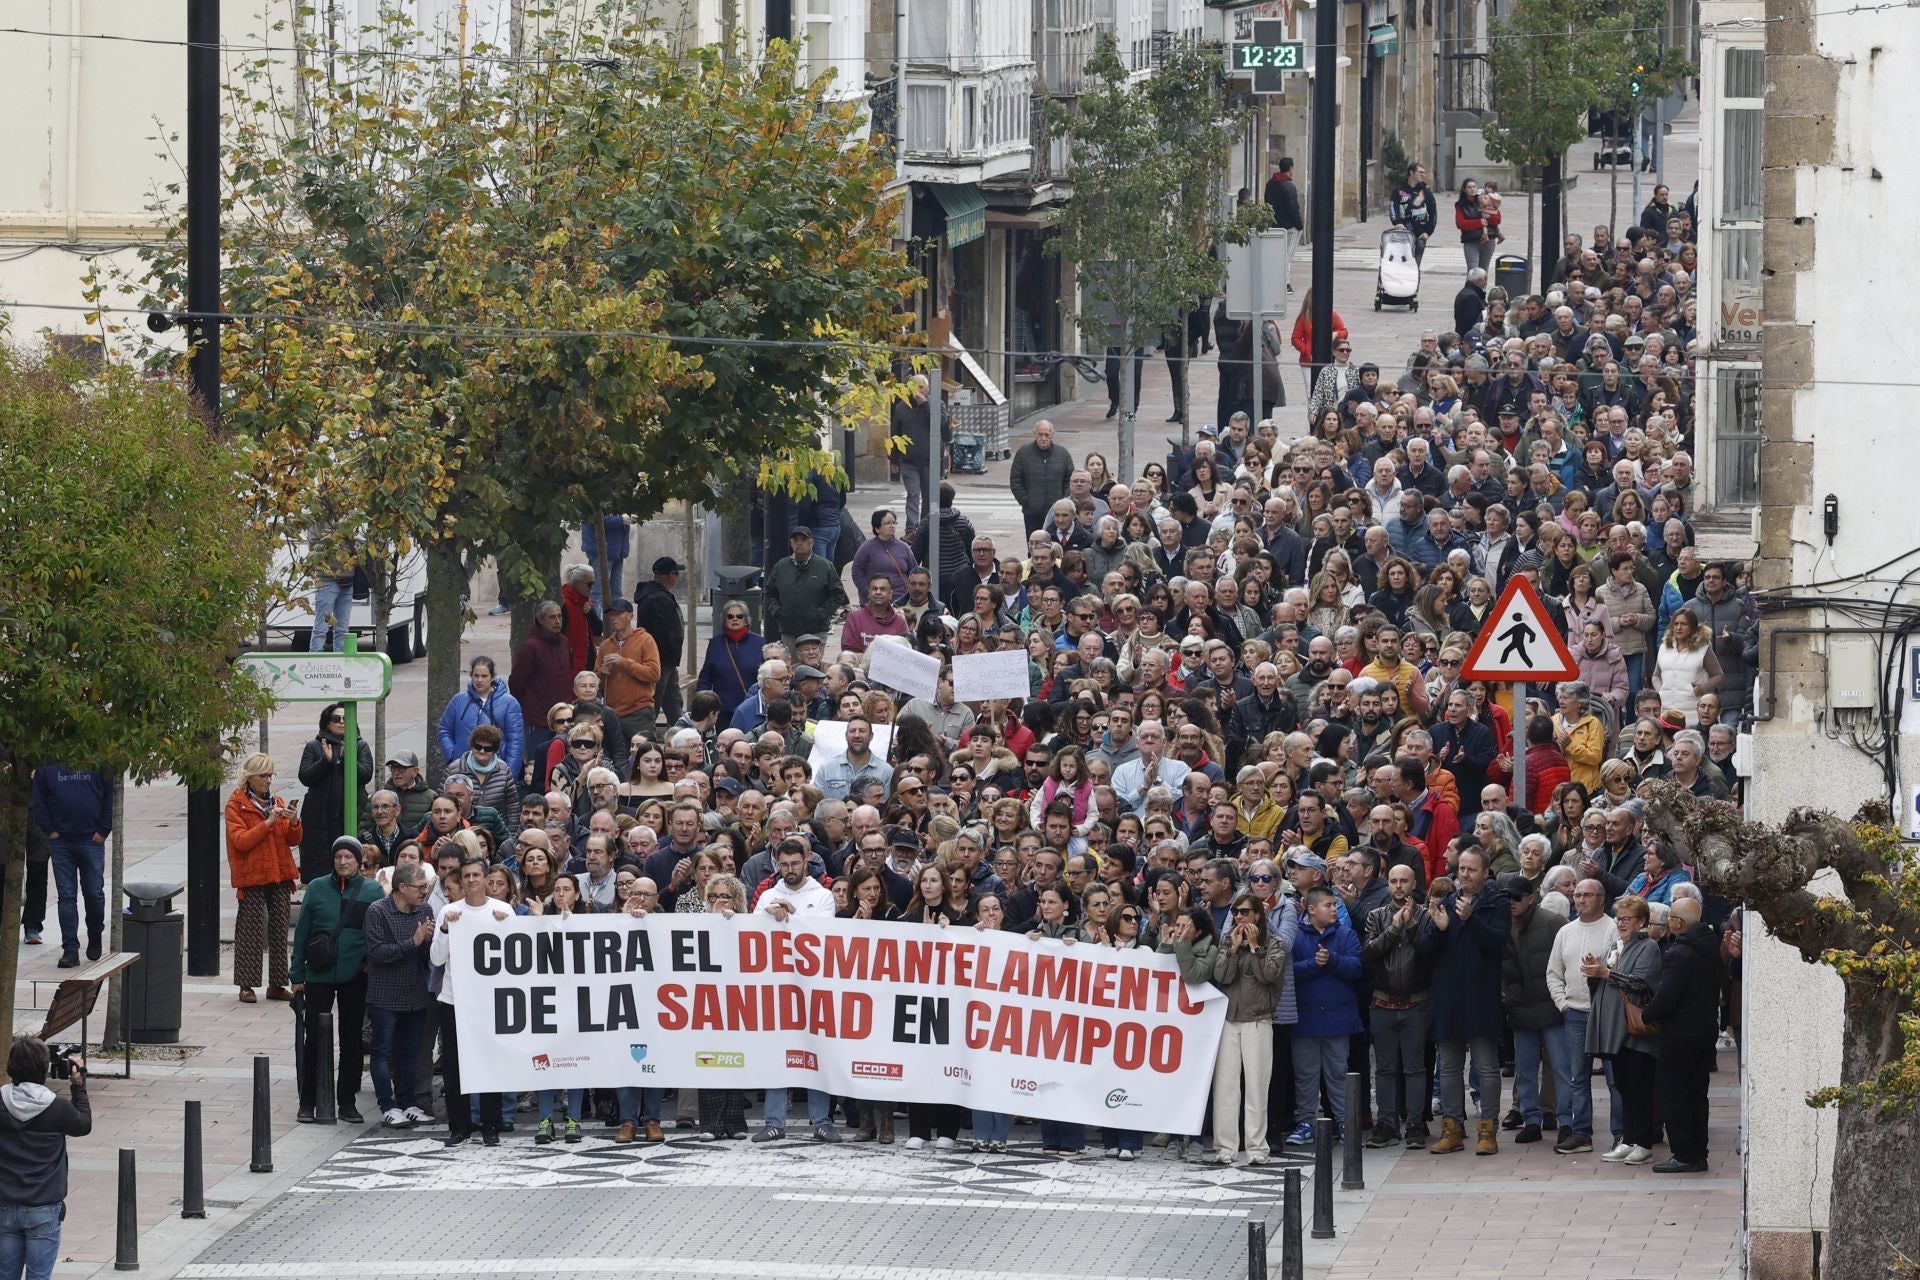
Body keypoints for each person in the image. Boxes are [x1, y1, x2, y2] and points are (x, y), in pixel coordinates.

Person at [1417, 847, 1509, 1155]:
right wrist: (1440, 930)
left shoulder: (1497, 902)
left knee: (1485, 1065)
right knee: (1449, 1066)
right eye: (1462, 869)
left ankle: (1487, 1129)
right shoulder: (1445, 903)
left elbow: (1498, 943)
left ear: (1485, 872)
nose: (1465, 874)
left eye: (1471, 869)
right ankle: (1452, 1128)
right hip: (1449, 996)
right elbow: (1425, 950)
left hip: (1481, 995)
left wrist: (1470, 920)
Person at [289, 836, 385, 1124]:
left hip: (355, 975)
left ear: (359, 861)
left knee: (352, 1040)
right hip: (318, 973)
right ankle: (308, 1101)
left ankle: (346, 1101)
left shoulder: (372, 890)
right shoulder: (317, 888)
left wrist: (369, 965)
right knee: (314, 1038)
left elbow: (376, 933)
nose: (343, 862)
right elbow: (302, 932)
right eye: (338, 857)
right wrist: (297, 975)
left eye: (349, 857)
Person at [429, 856, 513, 1146]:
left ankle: (491, 1125)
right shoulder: (449, 912)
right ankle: (459, 1126)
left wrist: (506, 928)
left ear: (486, 879)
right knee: (453, 1067)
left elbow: (515, 958)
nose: (472, 880)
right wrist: (444, 930)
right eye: (467, 876)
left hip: (491, 1002)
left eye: (477, 875)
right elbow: (436, 959)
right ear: (461, 881)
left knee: (490, 1064)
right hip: (454, 1000)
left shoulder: (503, 910)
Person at [1641, 896, 1724, 1172]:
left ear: (1677, 923)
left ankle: (1685, 1153)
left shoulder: (1680, 953)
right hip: (1704, 1030)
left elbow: (1667, 996)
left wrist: (1647, 1014)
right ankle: (1698, 1151)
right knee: (1698, 1094)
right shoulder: (1711, 946)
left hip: (1679, 1034)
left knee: (1675, 1093)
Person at [0, 1035, 90, 1280]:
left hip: (5, 1202)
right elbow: (83, 1125)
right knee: (39, 1276)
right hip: (44, 1204)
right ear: (44, 1068)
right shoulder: (57, 1108)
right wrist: (78, 1086)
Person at [1584, 894, 1663, 1165]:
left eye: (1627, 919)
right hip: (1614, 1029)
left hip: (1635, 1031)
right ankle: (1628, 1139)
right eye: (1619, 918)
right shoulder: (1615, 947)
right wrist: (1595, 971)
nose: (1621, 923)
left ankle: (1643, 1142)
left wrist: (1607, 974)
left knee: (1639, 1088)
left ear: (1641, 921)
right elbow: (1606, 984)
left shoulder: (1648, 947)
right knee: (1624, 1088)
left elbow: (1642, 984)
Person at [1212, 890, 1288, 1164]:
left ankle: (1257, 1148)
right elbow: (1221, 975)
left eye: (1245, 912)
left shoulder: (1275, 943)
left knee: (1257, 1086)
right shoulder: (1227, 940)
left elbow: (1269, 975)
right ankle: (1225, 1148)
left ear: (1257, 914)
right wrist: (1233, 949)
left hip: (1258, 1019)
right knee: (1226, 1086)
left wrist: (1255, 947)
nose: (1239, 917)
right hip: (1229, 1020)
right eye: (1235, 912)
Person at [1287, 885, 1363, 1145]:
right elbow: (1287, 972)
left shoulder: (1346, 934)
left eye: (1335, 905)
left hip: (1338, 1019)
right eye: (1328, 905)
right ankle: (1305, 1121)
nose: (1334, 909)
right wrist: (1312, 965)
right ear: (1311, 909)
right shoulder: (1295, 936)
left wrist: (1332, 960)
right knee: (1305, 1075)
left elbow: (1356, 968)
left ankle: (1345, 1124)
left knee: (1338, 1074)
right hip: (1305, 1019)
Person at [223, 753, 302, 1004]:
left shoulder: (276, 800)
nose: (268, 780)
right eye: (263, 776)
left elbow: (293, 840)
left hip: (279, 873)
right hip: (252, 875)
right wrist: (268, 823)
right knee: (250, 930)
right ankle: (246, 985)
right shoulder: (236, 804)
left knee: (279, 929)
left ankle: (277, 984)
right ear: (250, 777)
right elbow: (240, 842)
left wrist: (294, 822)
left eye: (271, 775)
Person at [361, 862, 435, 1128]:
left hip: (416, 993)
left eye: (426, 886)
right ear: (402, 887)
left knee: (410, 1052)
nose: (424, 892)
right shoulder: (378, 911)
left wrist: (428, 943)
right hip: (385, 996)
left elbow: (427, 957)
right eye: (420, 887)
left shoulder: (425, 910)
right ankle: (388, 1105)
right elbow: (378, 953)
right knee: (382, 1052)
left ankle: (408, 1102)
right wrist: (413, 942)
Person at [1364, 862, 1431, 1149]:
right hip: (1382, 1002)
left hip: (1417, 1003)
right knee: (1385, 1069)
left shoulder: (1426, 915)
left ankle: (1415, 1122)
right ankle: (1387, 1123)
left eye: (1404, 880)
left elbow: (1430, 952)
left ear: (1414, 883)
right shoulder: (1376, 915)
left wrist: (1411, 924)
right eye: (1393, 881)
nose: (1399, 886)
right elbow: (1369, 952)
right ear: (1388, 884)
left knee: (1416, 1068)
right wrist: (1393, 929)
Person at [1499, 873, 1565, 1145]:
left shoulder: (1553, 923)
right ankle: (1531, 1120)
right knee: (1524, 1070)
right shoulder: (1501, 926)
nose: (1511, 903)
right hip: (1520, 1008)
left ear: (1530, 898)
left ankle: (1567, 1120)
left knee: (1560, 1068)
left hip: (1551, 1007)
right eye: (1507, 898)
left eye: (1516, 898)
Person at [29, 763, 108, 970]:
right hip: (61, 841)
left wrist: (103, 830)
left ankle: (94, 932)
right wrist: (50, 830)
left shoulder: (98, 760)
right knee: (66, 896)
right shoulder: (47, 765)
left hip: (92, 839)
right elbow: (39, 802)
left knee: (94, 893)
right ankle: (70, 949)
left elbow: (109, 796)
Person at [296, 702, 374, 885]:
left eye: (346, 718)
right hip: (319, 820)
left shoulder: (360, 746)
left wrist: (348, 759)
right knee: (320, 870)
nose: (341, 722)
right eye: (336, 718)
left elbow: (365, 775)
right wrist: (326, 761)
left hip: (351, 814)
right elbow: (305, 776)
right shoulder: (314, 746)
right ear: (327, 723)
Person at [436, 656, 524, 780]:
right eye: (476, 676)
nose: (479, 680)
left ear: (492, 677)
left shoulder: (509, 703)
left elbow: (515, 740)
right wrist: (452, 755)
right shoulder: (458, 700)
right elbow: (444, 729)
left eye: (484, 676)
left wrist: (510, 774)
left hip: (496, 769)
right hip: (462, 767)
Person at [764, 528, 848, 654]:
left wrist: (821, 614)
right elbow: (769, 592)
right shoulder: (781, 566)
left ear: (811, 543)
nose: (799, 543)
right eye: (796, 540)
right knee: (791, 668)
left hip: (817, 630)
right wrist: (779, 612)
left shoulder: (824, 566)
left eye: (803, 540)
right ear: (791, 543)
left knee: (813, 667)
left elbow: (837, 594)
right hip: (789, 630)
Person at [596, 598, 662, 745]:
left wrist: (624, 663)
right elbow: (595, 684)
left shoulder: (646, 640)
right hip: (612, 714)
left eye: (618, 614)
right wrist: (602, 672)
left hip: (639, 713)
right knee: (613, 760)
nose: (613, 618)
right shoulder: (606, 645)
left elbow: (654, 673)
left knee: (643, 757)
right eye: (611, 614)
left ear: (631, 616)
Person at [631, 557, 688, 726]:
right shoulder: (657, 599)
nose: (677, 578)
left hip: (667, 661)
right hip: (659, 661)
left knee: (673, 702)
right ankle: (645, 737)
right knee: (654, 702)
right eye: (676, 574)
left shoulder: (658, 595)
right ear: (670, 575)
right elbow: (663, 633)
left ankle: (680, 733)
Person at [1009, 419, 1073, 536]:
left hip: (1057, 514)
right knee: (1034, 544)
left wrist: (1063, 500)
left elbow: (1069, 480)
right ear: (1034, 434)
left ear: (1052, 434)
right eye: (1040, 434)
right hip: (1032, 513)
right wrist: (1026, 501)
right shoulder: (1023, 453)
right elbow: (1016, 480)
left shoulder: (1063, 454)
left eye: (1047, 435)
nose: (1043, 438)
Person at [1387, 163, 1439, 261]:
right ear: (1412, 172)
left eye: (1424, 173)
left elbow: (1433, 213)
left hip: (1420, 234)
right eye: (1420, 172)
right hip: (1403, 233)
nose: (1423, 175)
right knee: (1401, 264)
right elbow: (1393, 207)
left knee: (1415, 266)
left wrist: (1428, 232)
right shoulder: (1399, 190)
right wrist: (1397, 222)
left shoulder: (1425, 192)